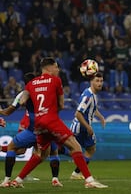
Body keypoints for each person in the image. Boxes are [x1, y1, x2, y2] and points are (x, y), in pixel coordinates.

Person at [10, 58, 107, 188]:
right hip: (51, 119)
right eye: (56, 67)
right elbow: (61, 105)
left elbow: (21, 102)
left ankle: (17, 180)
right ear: (49, 68)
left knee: (41, 154)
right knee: (76, 147)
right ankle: (89, 180)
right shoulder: (56, 81)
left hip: (38, 123)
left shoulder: (31, 83)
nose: (58, 70)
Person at [0, 73, 62, 187]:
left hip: (32, 130)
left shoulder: (23, 94)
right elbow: (59, 106)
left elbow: (8, 112)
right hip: (47, 128)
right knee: (52, 152)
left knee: (12, 147)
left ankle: (6, 180)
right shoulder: (47, 92)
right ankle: (55, 179)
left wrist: (0, 111)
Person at [67, 72, 106, 180]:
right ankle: (75, 172)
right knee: (84, 149)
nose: (99, 83)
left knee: (89, 149)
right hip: (81, 128)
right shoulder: (88, 97)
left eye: (101, 81)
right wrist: (88, 127)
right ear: (91, 82)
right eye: (97, 81)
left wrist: (101, 117)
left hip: (81, 127)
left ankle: (76, 173)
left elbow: (92, 108)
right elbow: (78, 113)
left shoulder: (92, 94)